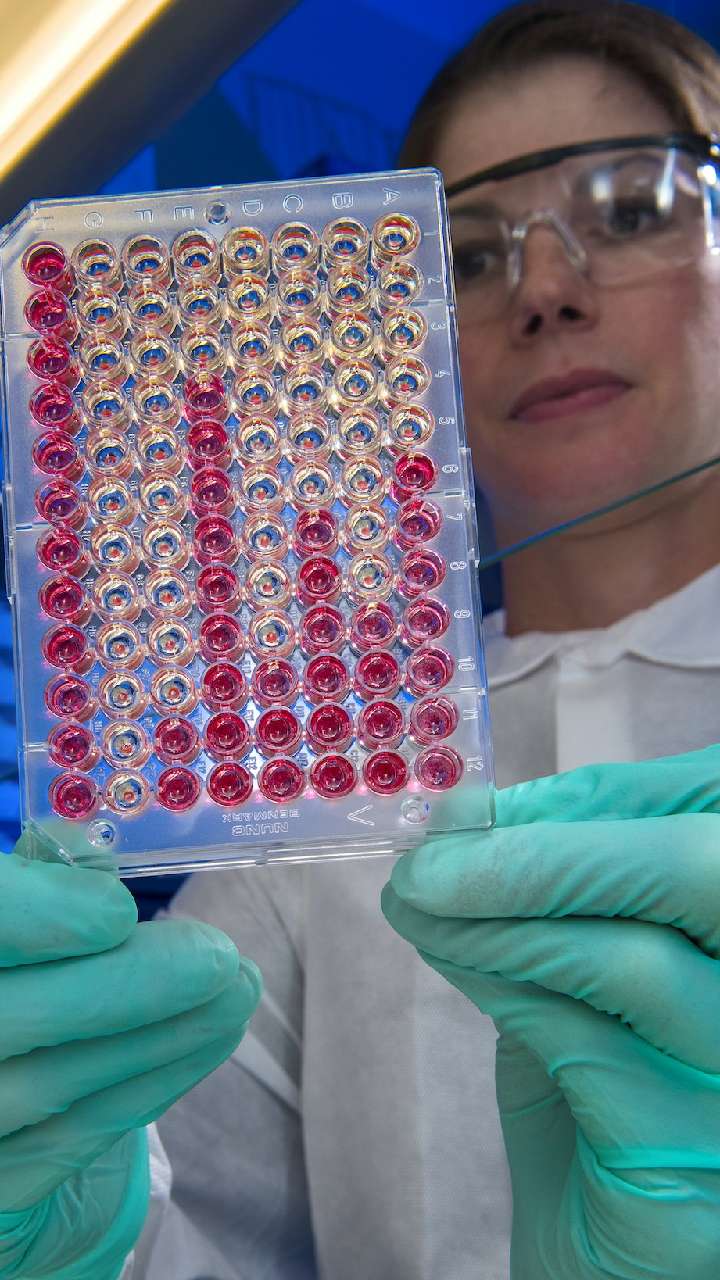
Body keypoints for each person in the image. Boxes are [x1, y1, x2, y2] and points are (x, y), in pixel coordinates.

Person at [3, 1, 720, 1276]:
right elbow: (188, 1233)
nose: (545, 289)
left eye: (626, 212)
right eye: (472, 254)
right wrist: (67, 1228)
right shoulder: (319, 802)